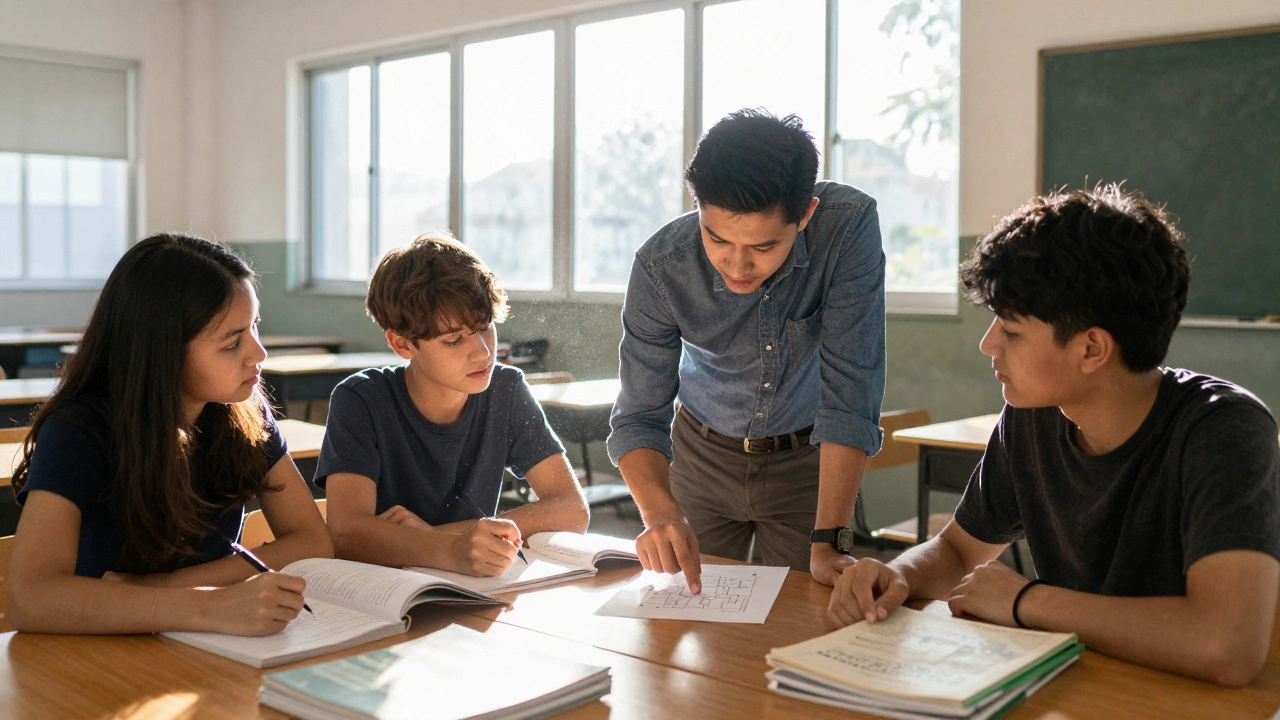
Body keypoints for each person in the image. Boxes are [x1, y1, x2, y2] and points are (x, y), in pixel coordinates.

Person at [829, 185, 1280, 686]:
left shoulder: (1224, 430)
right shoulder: (1034, 416)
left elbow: (1227, 646)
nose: (988, 344)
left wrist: (1026, 600)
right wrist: (900, 574)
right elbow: (958, 551)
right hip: (1085, 684)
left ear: (1092, 350)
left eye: (1011, 330)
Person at [608, 108, 886, 593]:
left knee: (806, 620)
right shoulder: (660, 266)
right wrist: (659, 515)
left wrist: (831, 539)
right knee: (690, 616)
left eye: (761, 246)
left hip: (805, 461)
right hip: (699, 456)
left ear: (805, 215)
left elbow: (851, 392)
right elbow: (637, 416)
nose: (736, 264)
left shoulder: (847, 228)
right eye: (717, 238)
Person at [9, 234, 334, 636]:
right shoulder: (80, 431)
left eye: (255, 326)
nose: (259, 353)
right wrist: (206, 605)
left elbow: (310, 541)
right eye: (232, 343)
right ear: (161, 353)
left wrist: (169, 589)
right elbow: (31, 598)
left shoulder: (243, 411)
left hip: (199, 643)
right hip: (98, 651)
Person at [319, 233, 588, 576]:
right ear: (402, 344)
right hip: (386, 587)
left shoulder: (505, 389)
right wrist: (454, 548)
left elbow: (571, 509)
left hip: (470, 584)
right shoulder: (360, 400)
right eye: (454, 339)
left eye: (485, 327)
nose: (482, 352)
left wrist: (445, 538)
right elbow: (346, 533)